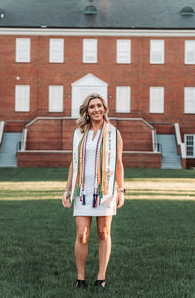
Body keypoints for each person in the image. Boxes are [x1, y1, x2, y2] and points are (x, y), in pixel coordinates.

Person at [62, 93, 125, 289]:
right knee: (82, 234)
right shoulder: (79, 133)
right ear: (87, 111)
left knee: (103, 233)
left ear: (104, 109)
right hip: (82, 190)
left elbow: (119, 163)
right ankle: (80, 278)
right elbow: (74, 162)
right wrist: (67, 189)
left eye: (99, 106)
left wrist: (121, 190)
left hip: (105, 190)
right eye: (92, 107)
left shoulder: (114, 133)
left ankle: (101, 277)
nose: (96, 109)